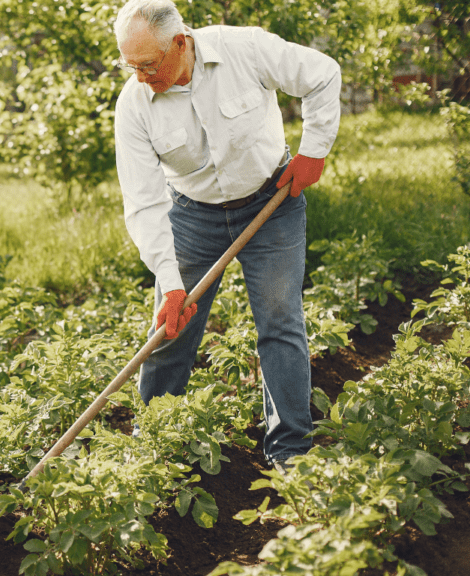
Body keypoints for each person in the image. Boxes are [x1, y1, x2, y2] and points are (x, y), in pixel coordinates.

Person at [112, 0, 341, 468]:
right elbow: (144, 201)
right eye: (129, 65)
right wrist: (171, 284)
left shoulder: (244, 49)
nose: (139, 77)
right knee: (171, 329)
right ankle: (152, 445)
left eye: (148, 65)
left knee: (280, 323)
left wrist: (313, 150)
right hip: (192, 216)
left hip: (271, 202)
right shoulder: (134, 105)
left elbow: (323, 74)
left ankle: (291, 451)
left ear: (180, 42)